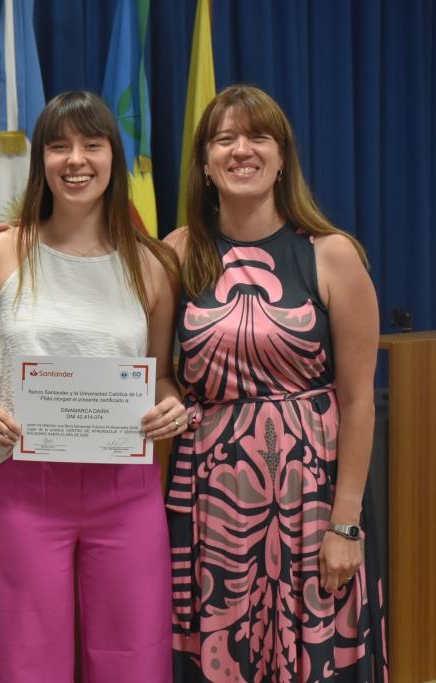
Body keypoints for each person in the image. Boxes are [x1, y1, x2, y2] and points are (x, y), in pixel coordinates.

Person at [0, 90, 185, 682]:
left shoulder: (152, 265)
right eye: (59, 146)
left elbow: (160, 377)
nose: (75, 160)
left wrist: (172, 408)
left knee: (134, 661)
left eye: (92, 144)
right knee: (24, 663)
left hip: (126, 491)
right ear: (41, 162)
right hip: (22, 490)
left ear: (114, 158)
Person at [164, 84, 387, 681]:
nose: (242, 150)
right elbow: (155, 372)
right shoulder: (174, 254)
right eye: (224, 138)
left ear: (283, 156)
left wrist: (346, 524)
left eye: (258, 136)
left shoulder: (332, 254)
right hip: (210, 505)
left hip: (312, 502)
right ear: (205, 163)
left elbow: (360, 401)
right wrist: (19, 235)